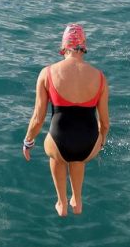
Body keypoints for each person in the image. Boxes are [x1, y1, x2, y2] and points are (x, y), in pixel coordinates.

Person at [23, 24, 110, 216]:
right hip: (88, 146)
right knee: (78, 157)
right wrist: (101, 141)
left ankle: (61, 202)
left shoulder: (47, 73)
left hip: (58, 142)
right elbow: (104, 123)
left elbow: (38, 118)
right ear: (84, 46)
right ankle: (77, 200)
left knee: (58, 156)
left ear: (64, 47)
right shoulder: (100, 77)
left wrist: (28, 141)